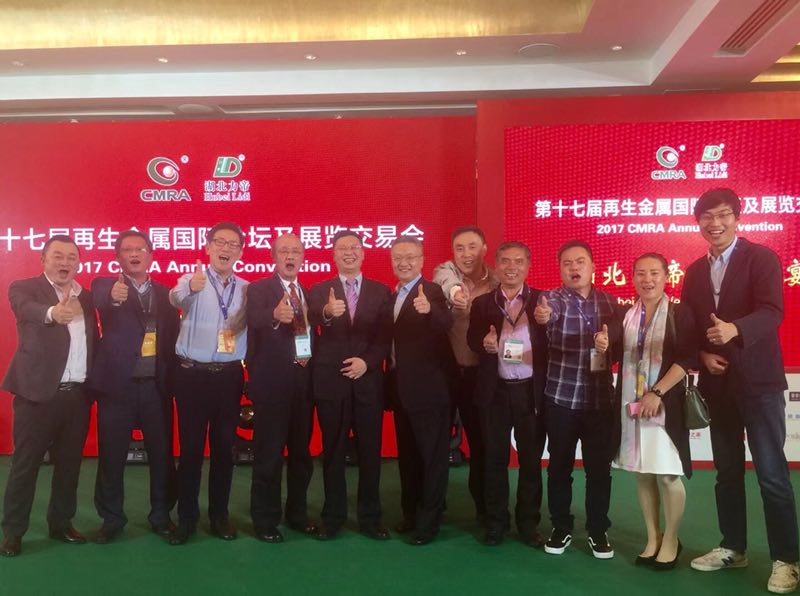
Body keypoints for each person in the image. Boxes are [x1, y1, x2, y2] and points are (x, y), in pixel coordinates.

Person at [681, 188, 799, 594]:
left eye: (723, 215)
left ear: (737, 217)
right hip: (718, 384)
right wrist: (701, 354)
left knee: (771, 474)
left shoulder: (761, 258)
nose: (715, 223)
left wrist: (736, 329)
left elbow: (772, 311)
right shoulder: (694, 272)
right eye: (707, 217)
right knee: (727, 472)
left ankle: (787, 559)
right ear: (698, 223)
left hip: (759, 382)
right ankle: (733, 547)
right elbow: (691, 325)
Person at [0, 235, 97, 557]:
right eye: (57, 256)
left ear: (78, 262)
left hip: (77, 395)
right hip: (37, 395)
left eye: (71, 257)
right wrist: (53, 312)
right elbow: (26, 310)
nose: (65, 262)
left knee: (69, 465)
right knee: (25, 465)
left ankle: (61, 523)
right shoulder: (24, 288)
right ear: (43, 259)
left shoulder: (86, 296)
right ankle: (13, 532)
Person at [598, 253, 695, 569]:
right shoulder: (626, 314)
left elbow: (687, 358)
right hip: (632, 405)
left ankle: (672, 539)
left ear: (667, 276)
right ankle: (653, 537)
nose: (647, 279)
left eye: (654, 273)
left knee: (667, 475)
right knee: (643, 474)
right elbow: (614, 354)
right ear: (633, 278)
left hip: (665, 407)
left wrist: (657, 392)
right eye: (640, 273)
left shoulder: (679, 313)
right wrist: (602, 344)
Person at [89, 230, 179, 543]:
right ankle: (112, 519)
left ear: (151, 255)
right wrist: (113, 296)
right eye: (127, 249)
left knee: (162, 456)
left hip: (156, 387)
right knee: (111, 456)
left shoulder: (166, 294)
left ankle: (161, 515)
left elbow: (172, 336)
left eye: (140, 249)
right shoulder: (105, 285)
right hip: (117, 387)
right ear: (118, 257)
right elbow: (100, 298)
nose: (134, 254)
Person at [534, 239, 621, 559]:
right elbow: (546, 317)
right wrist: (544, 316)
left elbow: (621, 345)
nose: (574, 268)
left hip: (599, 401)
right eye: (567, 263)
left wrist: (609, 344)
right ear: (560, 269)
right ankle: (561, 526)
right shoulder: (552, 300)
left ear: (593, 266)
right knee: (559, 468)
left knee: (599, 470)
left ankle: (598, 529)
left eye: (580, 261)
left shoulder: (610, 302)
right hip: (561, 398)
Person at [307, 231, 392, 540]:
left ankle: (370, 518)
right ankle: (333, 517)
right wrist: (327, 313)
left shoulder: (381, 291)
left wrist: (367, 362)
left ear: (363, 252)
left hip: (367, 382)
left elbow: (385, 337)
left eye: (354, 247)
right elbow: (311, 318)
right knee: (332, 453)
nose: (349, 253)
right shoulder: (320, 290)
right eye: (342, 248)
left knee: (370, 453)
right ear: (333, 255)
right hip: (331, 383)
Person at [168, 222, 248, 545]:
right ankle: (186, 519)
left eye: (232, 244)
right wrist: (191, 287)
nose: (225, 248)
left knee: (224, 450)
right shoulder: (192, 279)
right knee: (190, 451)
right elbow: (174, 297)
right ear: (208, 246)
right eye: (220, 242)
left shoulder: (247, 288)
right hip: (192, 376)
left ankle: (219, 516)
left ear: (240, 252)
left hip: (228, 376)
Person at [466, 241, 547, 547]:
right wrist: (483, 343)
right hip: (495, 392)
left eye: (518, 261)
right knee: (494, 460)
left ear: (528, 266)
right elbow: (472, 339)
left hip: (530, 392)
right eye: (505, 261)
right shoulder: (483, 303)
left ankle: (528, 524)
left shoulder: (542, 301)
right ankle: (496, 522)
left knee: (530, 462)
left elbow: (552, 341)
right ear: (496, 265)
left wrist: (548, 321)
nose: (511, 267)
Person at [246, 233, 317, 543]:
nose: (290, 256)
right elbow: (250, 319)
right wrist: (273, 316)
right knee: (269, 454)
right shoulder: (259, 289)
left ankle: (297, 514)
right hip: (271, 385)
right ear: (273, 257)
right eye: (284, 251)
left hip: (304, 384)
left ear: (302, 257)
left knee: (301, 454)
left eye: (296, 251)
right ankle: (265, 519)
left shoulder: (308, 293)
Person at [387, 235, 453, 545]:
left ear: (422, 260)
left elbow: (445, 321)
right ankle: (410, 514)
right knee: (409, 457)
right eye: (398, 257)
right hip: (401, 390)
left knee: (432, 458)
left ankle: (429, 522)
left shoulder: (432, 291)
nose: (404, 262)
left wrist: (429, 310)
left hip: (429, 391)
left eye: (410, 257)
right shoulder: (393, 295)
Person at [433, 225, 497, 523]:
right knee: (435, 443)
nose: (466, 254)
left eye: (472, 247)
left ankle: (485, 509)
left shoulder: (497, 282)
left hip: (480, 376)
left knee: (482, 444)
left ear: (484, 249)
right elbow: (445, 280)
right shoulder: (445, 273)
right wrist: (456, 292)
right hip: (444, 374)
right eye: (459, 248)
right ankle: (433, 507)